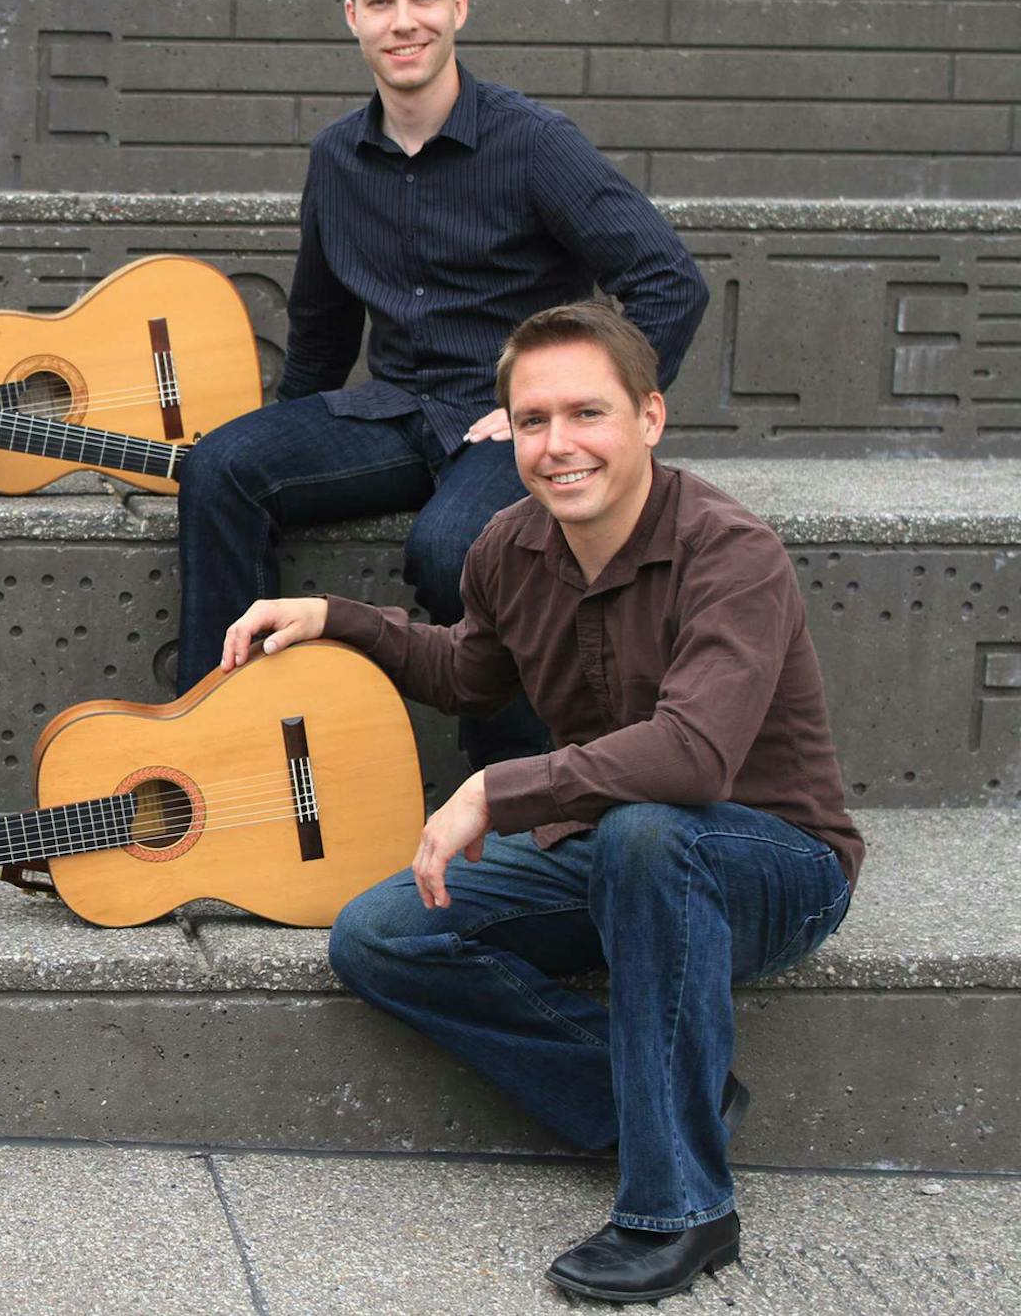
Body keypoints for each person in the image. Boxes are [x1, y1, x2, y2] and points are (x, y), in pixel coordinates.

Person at [222, 301, 863, 1303]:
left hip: (770, 860)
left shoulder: (733, 552)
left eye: (587, 413)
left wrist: (498, 785)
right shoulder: (511, 546)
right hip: (612, 846)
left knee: (654, 833)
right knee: (381, 931)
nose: (558, 444)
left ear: (650, 416)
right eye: (531, 420)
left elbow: (693, 757)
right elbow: (466, 670)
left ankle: (681, 1206)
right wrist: (333, 616)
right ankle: (661, 1089)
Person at [177, 0, 709, 771]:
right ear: (351, 17)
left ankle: (517, 801)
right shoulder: (337, 157)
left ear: (459, 7)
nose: (404, 21)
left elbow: (669, 280)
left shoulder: (534, 142)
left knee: (454, 548)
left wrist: (562, 407)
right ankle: (217, 748)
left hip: (508, 422)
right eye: (381, 2)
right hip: (393, 410)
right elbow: (318, 332)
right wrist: (282, 433)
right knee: (218, 467)